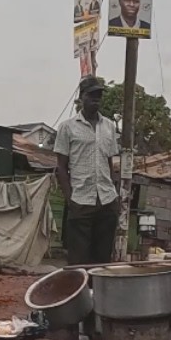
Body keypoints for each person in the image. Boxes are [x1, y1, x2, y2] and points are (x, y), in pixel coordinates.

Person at [55, 76, 118, 267]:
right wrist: (70, 199)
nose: (96, 99)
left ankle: (98, 296)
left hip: (106, 200)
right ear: (81, 97)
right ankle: (81, 296)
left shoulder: (109, 126)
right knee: (78, 260)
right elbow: (61, 167)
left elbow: (110, 162)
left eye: (99, 95)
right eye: (91, 95)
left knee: (102, 260)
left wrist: (115, 193)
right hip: (81, 200)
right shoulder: (67, 128)